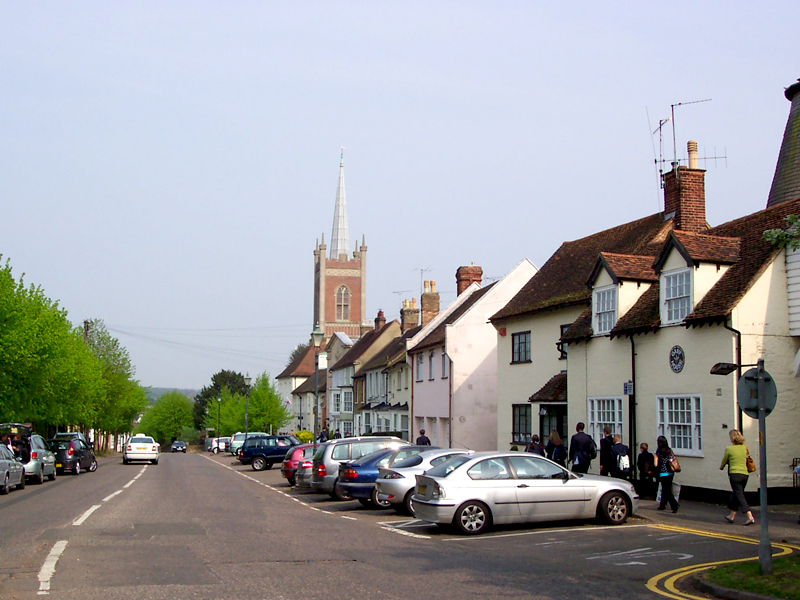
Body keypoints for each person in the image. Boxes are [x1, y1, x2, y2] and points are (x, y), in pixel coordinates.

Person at [719, 429, 755, 525]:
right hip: (745, 475)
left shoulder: (729, 449)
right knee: (737, 494)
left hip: (735, 475)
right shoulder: (744, 447)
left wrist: (721, 467)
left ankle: (750, 516)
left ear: (732, 438)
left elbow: (725, 460)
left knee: (740, 496)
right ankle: (732, 516)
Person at [654, 435, 679, 513]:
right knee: (665, 489)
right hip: (670, 472)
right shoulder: (670, 451)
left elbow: (655, 464)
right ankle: (662, 505)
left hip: (663, 473)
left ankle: (675, 505)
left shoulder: (657, 452)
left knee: (667, 490)